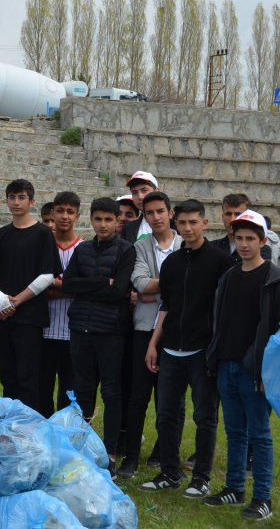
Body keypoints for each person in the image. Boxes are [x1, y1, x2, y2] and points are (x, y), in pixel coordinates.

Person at [141, 199, 232, 497]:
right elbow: (167, 305)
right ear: (175, 224)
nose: (188, 227)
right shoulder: (172, 263)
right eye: (183, 222)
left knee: (205, 416)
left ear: (205, 223)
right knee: (166, 414)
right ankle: (170, 472)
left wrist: (216, 348)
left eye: (194, 222)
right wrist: (154, 343)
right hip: (170, 351)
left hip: (202, 351)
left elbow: (224, 310)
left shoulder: (220, 261)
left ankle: (201, 478)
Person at [204, 209, 276, 520]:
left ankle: (263, 497)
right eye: (239, 238)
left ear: (262, 241)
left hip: (255, 370)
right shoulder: (229, 276)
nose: (244, 244)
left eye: (250, 239)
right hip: (226, 364)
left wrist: (266, 371)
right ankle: (234, 487)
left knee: (259, 434)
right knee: (234, 431)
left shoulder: (273, 280)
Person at [62, 197, 137, 473]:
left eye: (108, 219)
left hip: (111, 331)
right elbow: (68, 283)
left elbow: (119, 291)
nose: (103, 225)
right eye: (98, 219)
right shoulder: (82, 250)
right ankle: (83, 447)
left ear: (118, 221)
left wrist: (90, 287)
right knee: (83, 391)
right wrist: (98, 283)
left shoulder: (126, 251)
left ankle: (110, 451)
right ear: (91, 220)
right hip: (80, 328)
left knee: (111, 391)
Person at [0, 179, 62, 414]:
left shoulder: (43, 234)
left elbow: (47, 275)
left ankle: (28, 428)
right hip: (2, 315)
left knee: (29, 376)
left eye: (21, 197)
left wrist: (16, 300)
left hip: (29, 317)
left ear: (31, 201)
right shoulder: (1, 235)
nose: (16, 202)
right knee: (7, 375)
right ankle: (8, 423)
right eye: (12, 197)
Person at [120, 191, 181, 479]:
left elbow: (189, 286)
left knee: (171, 400)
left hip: (178, 332)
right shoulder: (141, 245)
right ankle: (131, 457)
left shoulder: (185, 244)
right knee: (138, 396)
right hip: (144, 329)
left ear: (170, 213)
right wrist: (173, 285)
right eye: (149, 213)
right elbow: (140, 282)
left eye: (160, 211)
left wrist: (154, 290)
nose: (155, 217)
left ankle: (167, 456)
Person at [40, 191, 83, 417]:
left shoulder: (84, 248)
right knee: (42, 389)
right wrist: (71, 287)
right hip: (44, 330)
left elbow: (86, 290)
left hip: (74, 331)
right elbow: (37, 291)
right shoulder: (42, 246)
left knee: (70, 391)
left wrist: (53, 285)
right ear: (52, 213)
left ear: (78, 215)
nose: (64, 216)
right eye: (60, 211)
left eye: (70, 211)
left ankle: (64, 437)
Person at [212, 193, 272, 264]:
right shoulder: (212, 248)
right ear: (222, 217)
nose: (232, 219)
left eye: (238, 214)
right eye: (228, 214)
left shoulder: (262, 250)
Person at [123, 171, 159, 242]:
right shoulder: (128, 228)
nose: (140, 196)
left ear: (157, 191)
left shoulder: (175, 223)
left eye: (144, 190)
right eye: (135, 192)